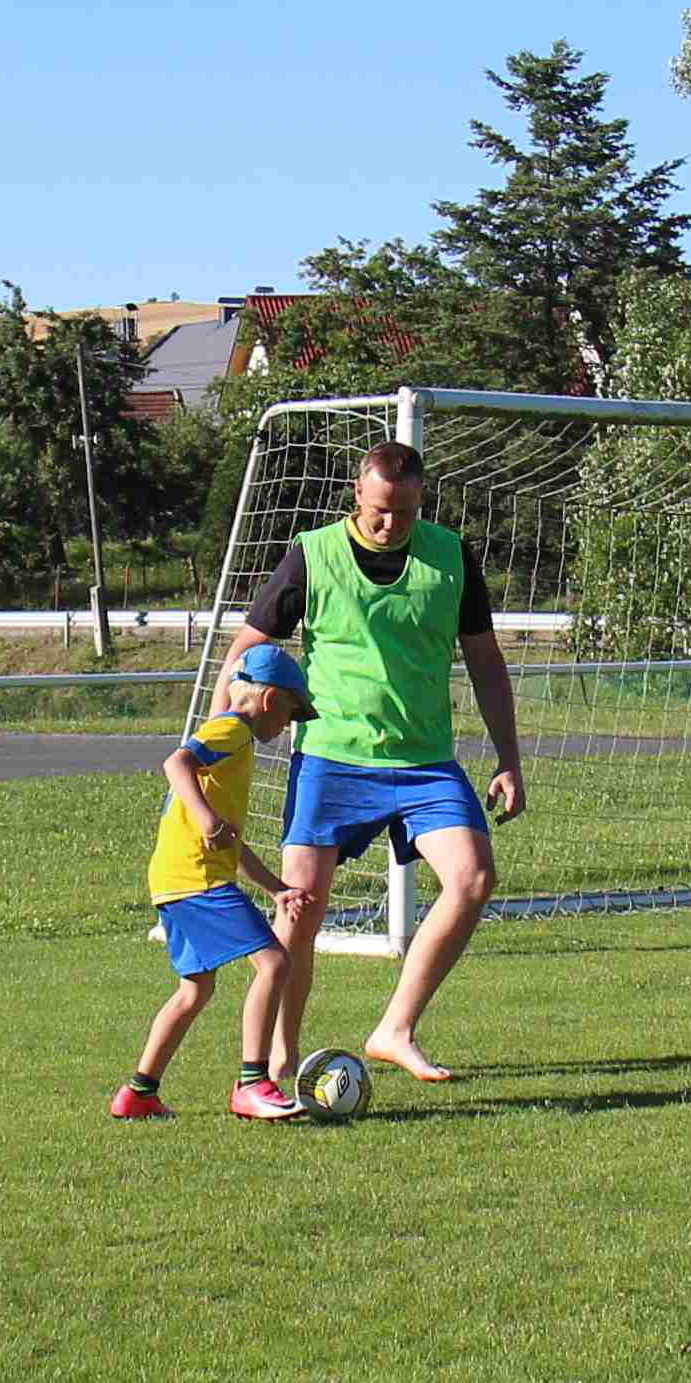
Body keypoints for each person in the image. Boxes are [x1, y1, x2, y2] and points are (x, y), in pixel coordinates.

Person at [234, 440, 527, 1084]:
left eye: (406, 512)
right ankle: (279, 1061)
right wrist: (229, 731)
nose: (393, 523)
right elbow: (246, 651)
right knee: (300, 910)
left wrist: (508, 758)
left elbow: (485, 662)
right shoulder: (312, 555)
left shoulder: (451, 556)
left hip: (425, 762)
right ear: (356, 496)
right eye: (380, 511)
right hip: (331, 760)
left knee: (473, 878)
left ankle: (395, 1029)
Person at [116, 646, 312, 1121]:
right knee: (274, 963)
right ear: (269, 700)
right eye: (289, 713)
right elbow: (176, 763)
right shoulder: (232, 731)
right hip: (195, 879)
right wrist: (205, 819)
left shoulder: (234, 747)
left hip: (174, 880)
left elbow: (228, 840)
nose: (287, 725)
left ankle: (138, 1093)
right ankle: (253, 1083)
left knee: (194, 991)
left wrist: (275, 888)